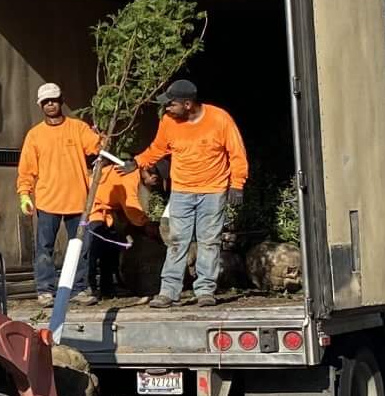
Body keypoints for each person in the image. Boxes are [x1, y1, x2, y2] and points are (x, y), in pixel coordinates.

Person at [134, 79, 248, 305]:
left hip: (213, 191)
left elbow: (237, 153)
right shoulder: (168, 121)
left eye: (171, 104)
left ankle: (205, 290)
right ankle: (168, 291)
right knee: (177, 241)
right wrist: (137, 162)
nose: (167, 109)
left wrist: (237, 184)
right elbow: (157, 148)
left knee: (208, 241)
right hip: (182, 191)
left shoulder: (220, 119)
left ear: (187, 104)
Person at [14, 82, 101, 301]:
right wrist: (24, 193)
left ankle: (79, 289)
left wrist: (103, 138)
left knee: (80, 247)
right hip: (47, 201)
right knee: (44, 248)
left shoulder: (78, 128)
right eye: (46, 102)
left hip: (78, 200)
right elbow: (26, 169)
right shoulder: (35, 135)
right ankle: (45, 290)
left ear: (61, 101)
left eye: (54, 100)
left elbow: (97, 148)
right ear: (41, 105)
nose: (50, 104)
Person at [84, 160, 155, 300]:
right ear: (145, 170)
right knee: (93, 250)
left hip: (107, 210)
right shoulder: (130, 177)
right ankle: (88, 287)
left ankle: (107, 288)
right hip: (94, 207)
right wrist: (146, 223)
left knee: (109, 251)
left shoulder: (131, 173)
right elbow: (130, 205)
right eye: (152, 174)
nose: (154, 178)